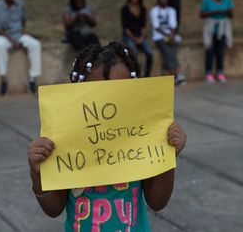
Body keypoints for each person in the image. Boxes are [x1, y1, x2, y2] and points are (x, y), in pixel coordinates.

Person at [28, 42, 187, 231]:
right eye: (99, 97)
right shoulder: (65, 143)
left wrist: (167, 157)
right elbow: (53, 209)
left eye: (119, 94)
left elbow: (157, 202)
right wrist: (37, 174)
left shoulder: (140, 140)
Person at [0, 0, 42, 95]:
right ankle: (3, 79)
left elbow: (23, 20)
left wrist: (23, 32)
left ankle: (32, 79)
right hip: (4, 36)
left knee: (35, 44)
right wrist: (13, 41)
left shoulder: (20, 4)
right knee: (0, 45)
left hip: (19, 34)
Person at [150, 0, 185, 85]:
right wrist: (168, 36)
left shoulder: (171, 10)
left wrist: (171, 36)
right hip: (159, 37)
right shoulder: (154, 11)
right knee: (168, 49)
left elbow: (174, 26)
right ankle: (176, 73)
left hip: (171, 36)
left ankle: (173, 73)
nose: (163, 0)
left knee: (172, 46)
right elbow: (156, 27)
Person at [200, 0, 234, 84]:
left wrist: (226, 11)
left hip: (222, 29)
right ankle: (208, 73)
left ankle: (220, 72)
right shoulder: (207, 0)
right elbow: (202, 14)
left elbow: (231, 15)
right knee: (209, 51)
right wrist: (213, 12)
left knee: (220, 52)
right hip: (210, 29)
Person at [121, 0, 154, 77]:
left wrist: (141, 38)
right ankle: (136, 75)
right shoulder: (125, 9)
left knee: (150, 53)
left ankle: (147, 75)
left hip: (140, 36)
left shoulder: (142, 9)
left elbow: (143, 26)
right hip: (129, 36)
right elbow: (125, 28)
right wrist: (134, 39)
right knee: (134, 53)